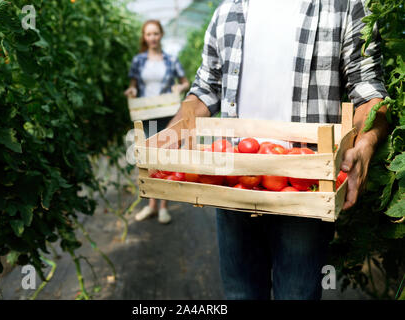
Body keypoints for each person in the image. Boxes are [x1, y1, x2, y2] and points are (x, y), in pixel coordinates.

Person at [166, 0, 389, 299]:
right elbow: (204, 90)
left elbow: (370, 92)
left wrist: (366, 142)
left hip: (303, 189)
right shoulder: (227, 12)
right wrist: (172, 131)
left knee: (298, 294)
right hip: (234, 184)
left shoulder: (343, 7)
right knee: (240, 295)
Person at [125, 20, 190, 224]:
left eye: (155, 33)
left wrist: (179, 89)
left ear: (161, 35)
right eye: (148, 34)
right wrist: (132, 91)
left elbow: (185, 82)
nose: (152, 37)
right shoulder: (138, 61)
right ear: (144, 37)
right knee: (150, 159)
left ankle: (163, 207)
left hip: (168, 113)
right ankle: (152, 205)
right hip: (146, 114)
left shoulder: (171, 60)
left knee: (165, 157)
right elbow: (134, 86)